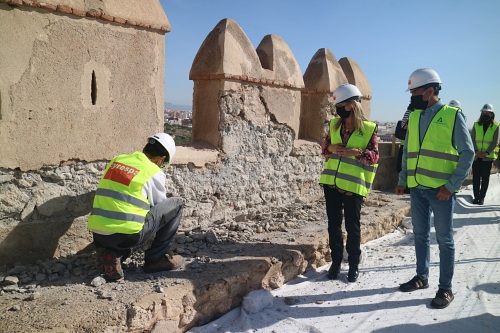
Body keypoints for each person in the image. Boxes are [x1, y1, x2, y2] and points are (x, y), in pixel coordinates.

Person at [395, 68, 474, 309]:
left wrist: (451, 187)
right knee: (419, 235)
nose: (412, 97)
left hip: (441, 191)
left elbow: (467, 153)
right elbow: (408, 150)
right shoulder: (416, 115)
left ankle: (446, 288)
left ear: (430, 91)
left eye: (415, 92)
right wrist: (402, 178)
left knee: (444, 239)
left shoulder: (452, 115)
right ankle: (422, 277)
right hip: (417, 187)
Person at [88, 133, 184, 281]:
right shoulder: (153, 171)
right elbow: (160, 208)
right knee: (177, 204)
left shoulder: (118, 160)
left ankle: (115, 255)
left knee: (131, 220)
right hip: (125, 236)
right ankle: (155, 259)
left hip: (98, 235)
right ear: (162, 159)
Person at [319, 83, 379, 282]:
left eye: (341, 105)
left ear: (352, 105)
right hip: (332, 183)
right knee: (333, 225)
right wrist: (333, 148)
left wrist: (357, 153)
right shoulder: (335, 125)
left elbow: (375, 156)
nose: (337, 109)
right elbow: (325, 149)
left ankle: (353, 264)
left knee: (352, 227)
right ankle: (336, 262)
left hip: (353, 185)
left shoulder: (369, 129)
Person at [471, 103, 499, 205]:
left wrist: (486, 153)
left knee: (485, 178)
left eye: (487, 112)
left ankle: (481, 198)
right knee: (476, 177)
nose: (485, 114)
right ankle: (476, 197)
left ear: (492, 114)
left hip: (487, 157)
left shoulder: (496, 126)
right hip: (476, 156)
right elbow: (472, 140)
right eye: (484, 112)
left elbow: (495, 141)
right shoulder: (476, 125)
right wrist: (477, 152)